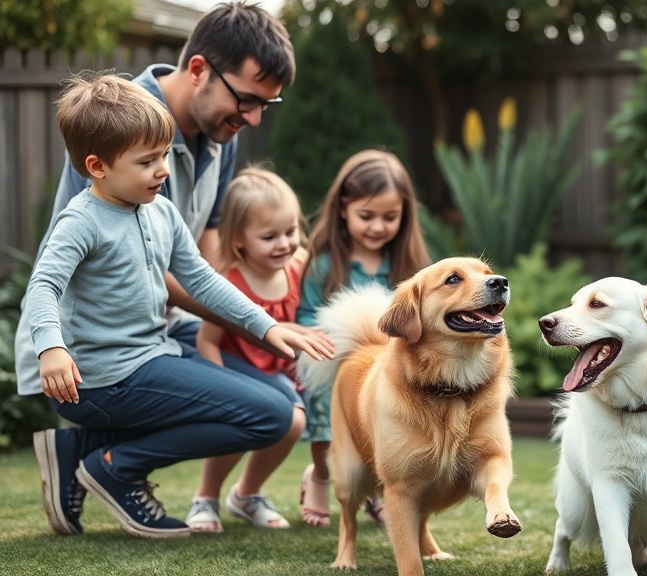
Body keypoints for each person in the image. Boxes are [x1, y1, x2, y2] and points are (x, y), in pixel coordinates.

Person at [16, 1, 299, 537]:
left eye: (164, 156)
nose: (161, 171)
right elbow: (49, 282)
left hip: (151, 338)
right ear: (199, 71)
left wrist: (265, 323)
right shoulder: (116, 131)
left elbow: (201, 270)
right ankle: (114, 466)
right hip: (93, 363)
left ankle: (80, 451)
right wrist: (52, 347)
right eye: (246, 99)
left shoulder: (179, 176)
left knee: (281, 403)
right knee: (264, 412)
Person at [185, 167, 328, 532]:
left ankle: (246, 494)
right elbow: (207, 340)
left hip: (277, 374)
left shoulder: (297, 267)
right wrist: (220, 386)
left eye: (290, 231)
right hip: (235, 368)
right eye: (269, 236)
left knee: (293, 424)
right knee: (242, 421)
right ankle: (206, 496)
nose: (284, 243)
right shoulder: (229, 283)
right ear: (239, 241)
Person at [296, 149, 432, 528]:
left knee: (386, 424)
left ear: (405, 215)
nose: (377, 226)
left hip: (385, 367)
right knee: (327, 418)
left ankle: (378, 487)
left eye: (390, 217)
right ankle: (320, 478)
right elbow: (307, 314)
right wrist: (327, 341)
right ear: (343, 209)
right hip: (336, 362)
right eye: (366, 216)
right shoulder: (325, 263)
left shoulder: (409, 266)